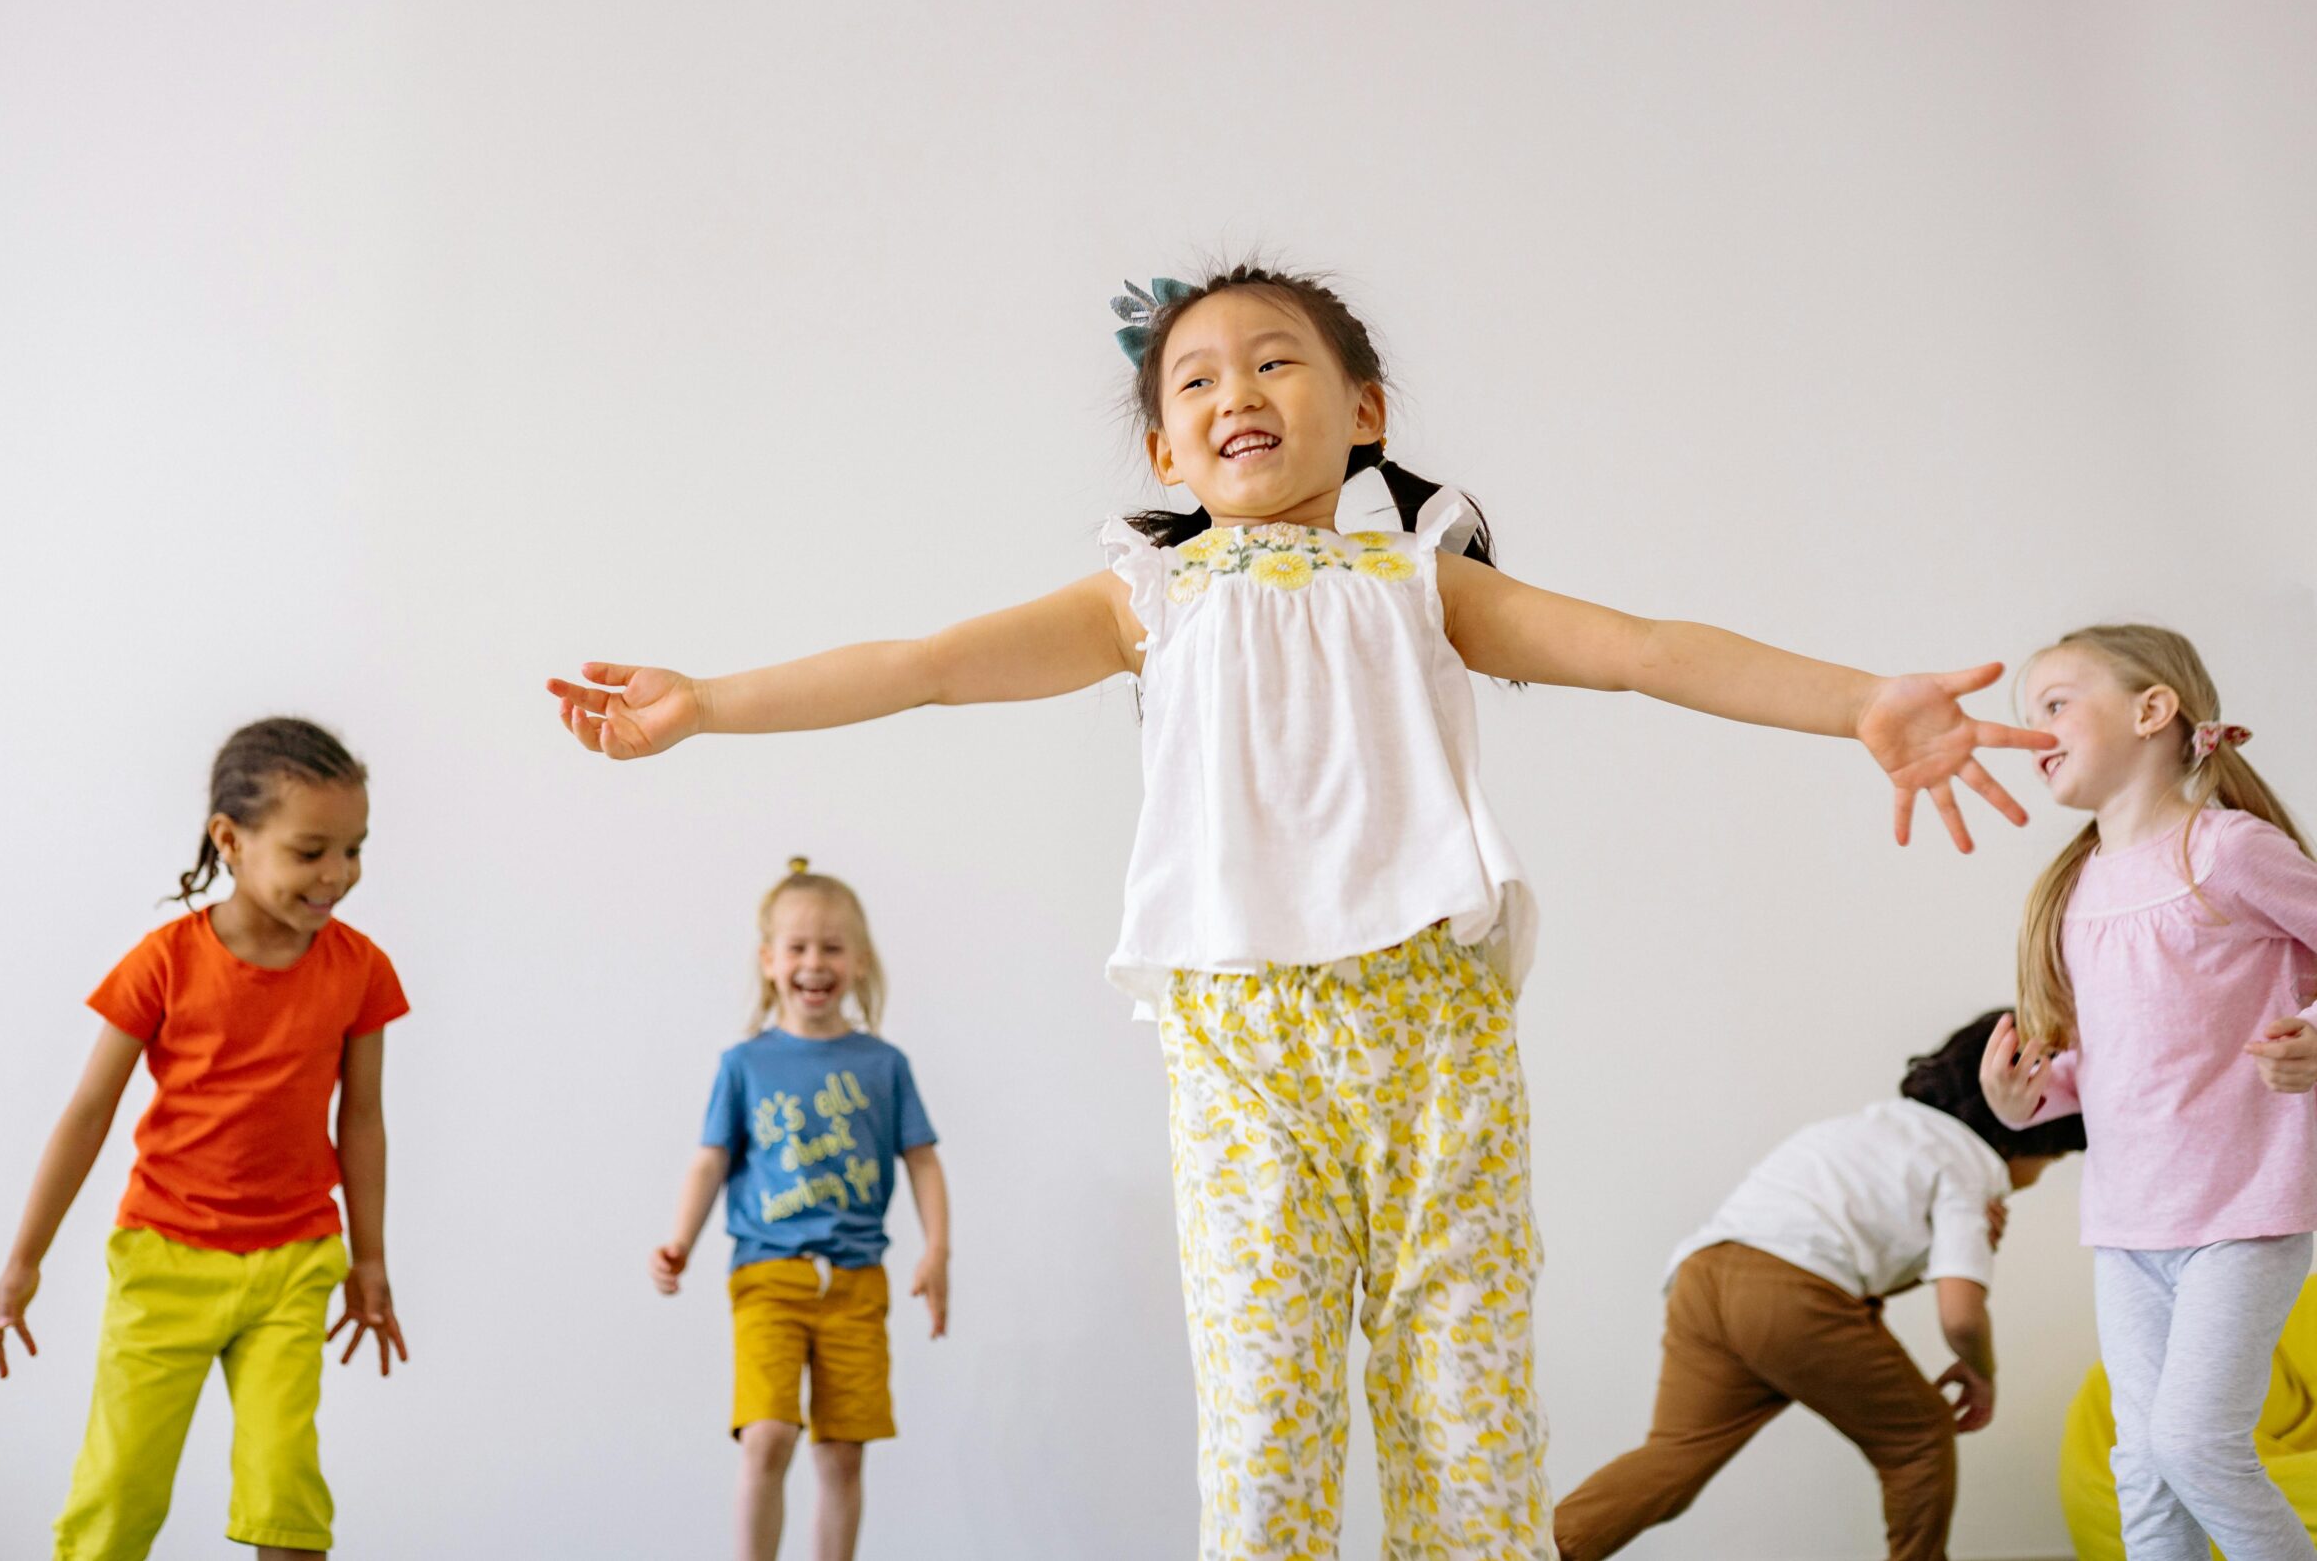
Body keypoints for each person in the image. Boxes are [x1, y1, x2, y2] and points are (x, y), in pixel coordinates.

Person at [550, 262, 2052, 1558]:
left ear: (1366, 407)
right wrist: (710, 705)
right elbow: (927, 660)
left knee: (1467, 1426)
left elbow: (1645, 648)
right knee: (1266, 1424)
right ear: (1164, 442)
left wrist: (1860, 699)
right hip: (1244, 1047)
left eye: (1277, 359)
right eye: (1196, 377)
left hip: (1434, 1037)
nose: (1237, 390)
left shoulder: (1423, 576)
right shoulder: (1150, 596)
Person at [0, 718, 410, 1561]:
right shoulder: (163, 962)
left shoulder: (362, 968)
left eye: (354, 848)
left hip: (294, 1262)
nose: (338, 875)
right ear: (230, 840)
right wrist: (23, 1261)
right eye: (312, 851)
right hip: (164, 1258)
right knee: (118, 1494)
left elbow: (363, 1117)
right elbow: (87, 1112)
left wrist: (370, 1259)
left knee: (287, 1496)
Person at [1983, 624, 2317, 1559]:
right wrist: (2025, 1103)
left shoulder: (2229, 851)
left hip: (2241, 1212)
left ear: (2153, 710)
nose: (2034, 732)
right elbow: (2112, 1065)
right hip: (2128, 1226)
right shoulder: (2075, 889)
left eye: (2053, 704)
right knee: (2142, 1464)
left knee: (2195, 1445)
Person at [1553, 1010, 2086, 1560]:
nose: (2042, 1176)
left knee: (1675, 1455)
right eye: (2055, 1158)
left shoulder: (1878, 1125)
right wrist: (1981, 1372)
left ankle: (1521, 1551)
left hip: (1703, 1275)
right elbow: (1961, 1316)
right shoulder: (1970, 1169)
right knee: (1921, 1437)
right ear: (2033, 1130)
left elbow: (1850, 1246)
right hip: (1790, 1294)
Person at [651, 860, 947, 1561]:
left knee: (843, 1452)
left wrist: (937, 1248)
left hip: (856, 1283)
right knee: (768, 1434)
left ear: (860, 961)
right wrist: (680, 1240)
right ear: (769, 960)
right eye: (799, 947)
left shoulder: (884, 1063)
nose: (815, 963)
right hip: (767, 1278)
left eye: (832, 948)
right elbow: (710, 1159)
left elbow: (923, 1160)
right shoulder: (745, 1063)